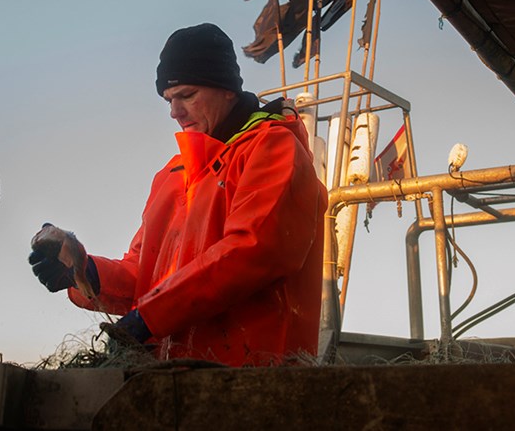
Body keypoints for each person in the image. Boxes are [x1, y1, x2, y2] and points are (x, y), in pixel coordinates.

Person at [28, 23, 327, 366]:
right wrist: (84, 270)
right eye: (169, 100)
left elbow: (252, 251)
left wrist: (148, 318)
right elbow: (144, 275)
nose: (174, 111)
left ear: (227, 88)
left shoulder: (274, 147)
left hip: (253, 384)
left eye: (186, 95)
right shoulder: (171, 175)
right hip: (172, 384)